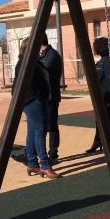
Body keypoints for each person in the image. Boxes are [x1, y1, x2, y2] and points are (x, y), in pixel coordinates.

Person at [13, 38, 61, 179]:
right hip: (34, 99)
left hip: (30, 99)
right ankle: (45, 165)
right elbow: (34, 82)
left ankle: (32, 163)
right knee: (40, 132)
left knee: (32, 132)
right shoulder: (28, 63)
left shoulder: (26, 62)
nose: (39, 49)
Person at [86, 37, 110, 153]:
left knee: (103, 120)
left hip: (103, 96)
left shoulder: (102, 63)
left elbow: (97, 80)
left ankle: (104, 142)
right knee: (108, 119)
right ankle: (102, 141)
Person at [39, 33, 62, 164]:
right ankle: (44, 153)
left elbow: (43, 71)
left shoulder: (52, 55)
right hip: (43, 96)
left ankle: (53, 154)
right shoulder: (43, 55)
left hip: (50, 97)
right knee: (43, 126)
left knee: (51, 125)